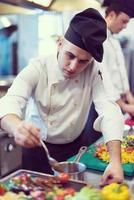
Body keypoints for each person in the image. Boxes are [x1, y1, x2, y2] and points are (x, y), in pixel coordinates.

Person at [0, 8, 124, 186]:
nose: (73, 66)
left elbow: (110, 111)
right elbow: (10, 100)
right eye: (70, 56)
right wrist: (17, 127)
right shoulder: (38, 67)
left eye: (83, 61)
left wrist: (115, 161)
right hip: (36, 149)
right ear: (60, 43)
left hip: (73, 151)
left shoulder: (94, 72)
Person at [101, 0, 134, 117]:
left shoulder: (114, 41)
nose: (125, 26)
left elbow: (121, 72)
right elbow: (103, 76)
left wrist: (129, 95)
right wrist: (124, 106)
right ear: (111, 15)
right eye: (123, 21)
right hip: (105, 102)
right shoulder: (99, 39)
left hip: (119, 101)